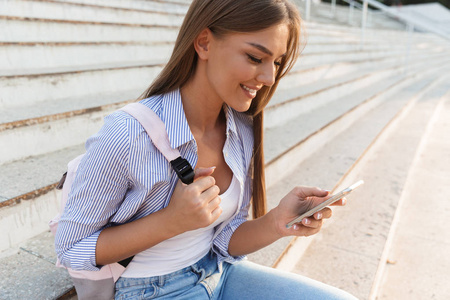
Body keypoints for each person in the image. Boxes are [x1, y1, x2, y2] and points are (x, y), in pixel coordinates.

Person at [55, 0, 358, 299]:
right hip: (148, 290)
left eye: (276, 62)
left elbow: (224, 239)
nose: (269, 78)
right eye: (255, 57)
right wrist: (171, 221)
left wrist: (277, 221)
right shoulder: (127, 134)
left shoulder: (240, 127)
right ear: (204, 43)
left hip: (218, 273)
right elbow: (71, 249)